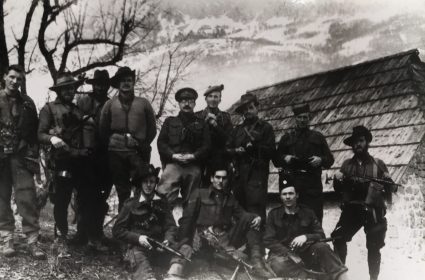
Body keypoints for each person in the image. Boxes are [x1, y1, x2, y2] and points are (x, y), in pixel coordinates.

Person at [176, 164, 274, 278]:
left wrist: (256, 217)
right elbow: (187, 219)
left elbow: (243, 215)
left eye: (224, 178)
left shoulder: (229, 198)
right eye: (217, 177)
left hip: (226, 239)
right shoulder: (199, 193)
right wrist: (185, 244)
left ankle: (257, 262)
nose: (220, 181)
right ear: (212, 178)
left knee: (251, 219)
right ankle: (220, 259)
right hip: (204, 239)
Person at [331, 126, 397, 280]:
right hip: (352, 209)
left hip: (373, 210)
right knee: (338, 237)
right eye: (354, 142)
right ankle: (341, 275)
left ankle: (373, 278)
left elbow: (392, 189)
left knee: (374, 246)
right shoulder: (346, 164)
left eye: (360, 141)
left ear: (367, 142)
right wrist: (337, 179)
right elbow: (338, 190)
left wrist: (388, 182)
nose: (357, 145)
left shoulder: (378, 164)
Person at [112, 164, 191, 280]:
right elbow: (117, 230)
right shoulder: (130, 204)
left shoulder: (162, 201)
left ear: (155, 183)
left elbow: (171, 226)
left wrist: (168, 239)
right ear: (140, 183)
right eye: (145, 181)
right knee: (136, 255)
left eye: (152, 181)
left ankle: (173, 276)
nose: (149, 185)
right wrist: (138, 238)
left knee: (185, 247)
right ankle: (147, 277)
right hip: (140, 248)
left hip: (160, 247)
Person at [264, 175, 349, 280]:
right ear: (280, 197)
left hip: (305, 251)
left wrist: (305, 237)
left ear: (297, 195)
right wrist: (289, 253)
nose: (287, 197)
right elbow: (268, 240)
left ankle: (341, 276)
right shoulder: (273, 214)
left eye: (291, 193)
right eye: (284, 194)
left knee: (323, 248)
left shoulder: (307, 212)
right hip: (282, 254)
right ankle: (311, 277)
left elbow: (320, 235)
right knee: (278, 264)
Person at [38, 72, 88, 253]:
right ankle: (61, 236)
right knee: (61, 199)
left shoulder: (78, 111)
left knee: (83, 198)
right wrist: (52, 139)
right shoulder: (49, 108)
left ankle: (83, 235)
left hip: (79, 159)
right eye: (65, 88)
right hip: (60, 161)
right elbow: (40, 134)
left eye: (71, 88)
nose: (69, 91)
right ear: (59, 90)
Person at [0, 64, 45, 259]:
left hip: (21, 157)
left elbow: (34, 132)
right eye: (11, 77)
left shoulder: (27, 103)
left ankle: (33, 240)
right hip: (0, 156)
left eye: (19, 79)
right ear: (4, 77)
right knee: (1, 198)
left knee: (27, 197)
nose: (15, 81)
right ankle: (6, 237)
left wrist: (32, 156)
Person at [99, 66, 157, 211]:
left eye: (129, 80)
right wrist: (113, 142)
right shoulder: (110, 104)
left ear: (133, 82)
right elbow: (103, 129)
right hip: (116, 153)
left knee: (142, 187)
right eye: (123, 81)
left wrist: (142, 144)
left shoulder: (144, 103)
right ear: (118, 84)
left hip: (138, 152)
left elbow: (152, 129)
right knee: (122, 189)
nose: (126, 83)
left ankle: (141, 222)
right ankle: (123, 223)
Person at [71, 69, 112, 251]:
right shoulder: (83, 101)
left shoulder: (111, 104)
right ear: (92, 85)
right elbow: (74, 124)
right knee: (83, 195)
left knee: (99, 196)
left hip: (104, 156)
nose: (100, 87)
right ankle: (82, 233)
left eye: (103, 84)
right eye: (97, 84)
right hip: (84, 155)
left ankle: (96, 234)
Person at [274, 103, 334, 223]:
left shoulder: (318, 137)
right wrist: (285, 157)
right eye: (300, 117)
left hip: (313, 185)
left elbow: (330, 160)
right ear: (295, 119)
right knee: (294, 219)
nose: (302, 120)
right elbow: (276, 160)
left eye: (305, 117)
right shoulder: (287, 138)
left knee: (315, 218)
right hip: (293, 184)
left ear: (309, 118)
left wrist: (321, 160)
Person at [226, 93, 275, 225]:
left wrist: (255, 147)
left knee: (256, 214)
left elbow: (272, 152)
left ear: (257, 108)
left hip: (257, 176)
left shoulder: (266, 128)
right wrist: (236, 151)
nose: (248, 111)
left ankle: (256, 245)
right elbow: (226, 150)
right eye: (245, 110)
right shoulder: (237, 131)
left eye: (251, 107)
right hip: (239, 177)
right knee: (240, 214)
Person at [156, 87, 210, 206]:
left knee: (192, 201)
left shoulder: (202, 123)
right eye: (183, 101)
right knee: (162, 195)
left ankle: (188, 223)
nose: (187, 104)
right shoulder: (169, 122)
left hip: (193, 165)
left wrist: (194, 156)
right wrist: (173, 155)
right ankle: (164, 222)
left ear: (194, 103)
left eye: (190, 101)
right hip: (173, 164)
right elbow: (161, 143)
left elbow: (206, 146)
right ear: (179, 104)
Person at [195, 84, 233, 184]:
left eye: (216, 96)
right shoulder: (197, 116)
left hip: (219, 159)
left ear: (220, 99)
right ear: (206, 99)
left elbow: (229, 139)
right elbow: (194, 138)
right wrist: (205, 123)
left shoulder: (226, 117)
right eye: (210, 96)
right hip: (201, 159)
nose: (213, 99)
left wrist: (215, 125)